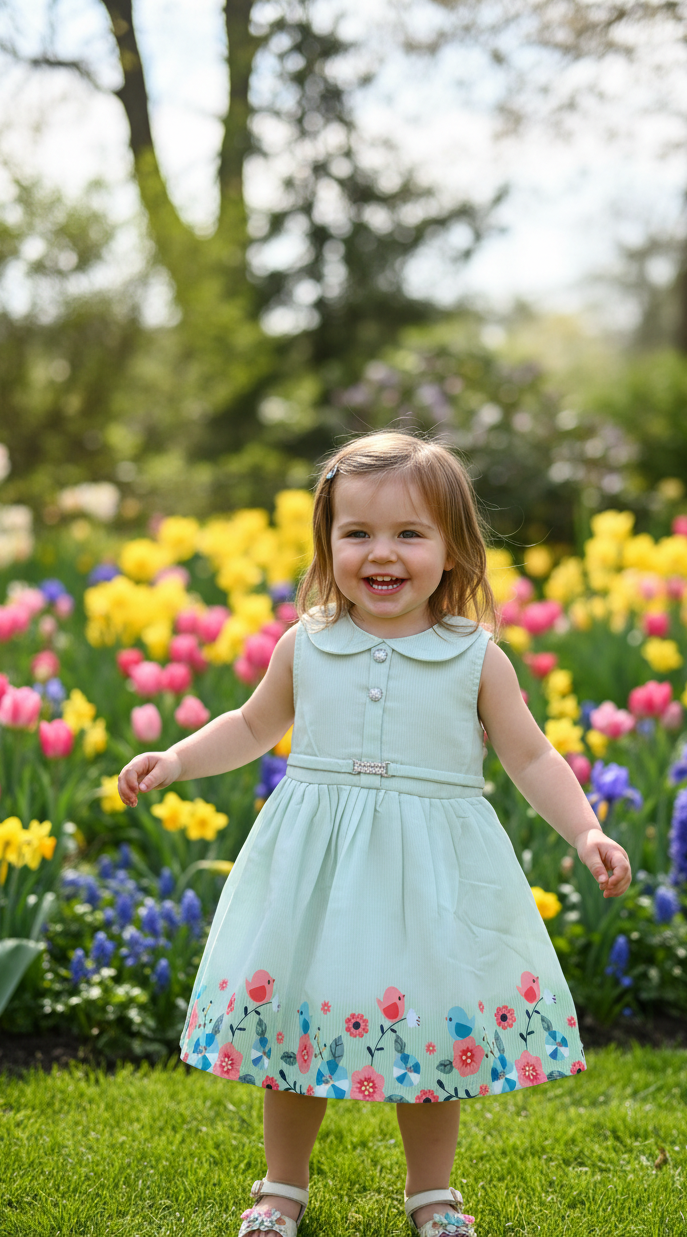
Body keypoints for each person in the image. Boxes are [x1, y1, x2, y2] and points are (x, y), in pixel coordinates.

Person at [117, 430, 631, 1237]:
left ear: (454, 550)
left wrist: (586, 831)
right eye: (357, 533)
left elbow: (531, 757)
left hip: (431, 878)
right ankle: (281, 1187)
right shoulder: (308, 644)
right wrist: (176, 760)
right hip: (317, 873)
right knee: (294, 1026)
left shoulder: (474, 658)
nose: (380, 553)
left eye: (408, 534)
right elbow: (253, 727)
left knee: (431, 1031)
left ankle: (432, 1194)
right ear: (327, 543)